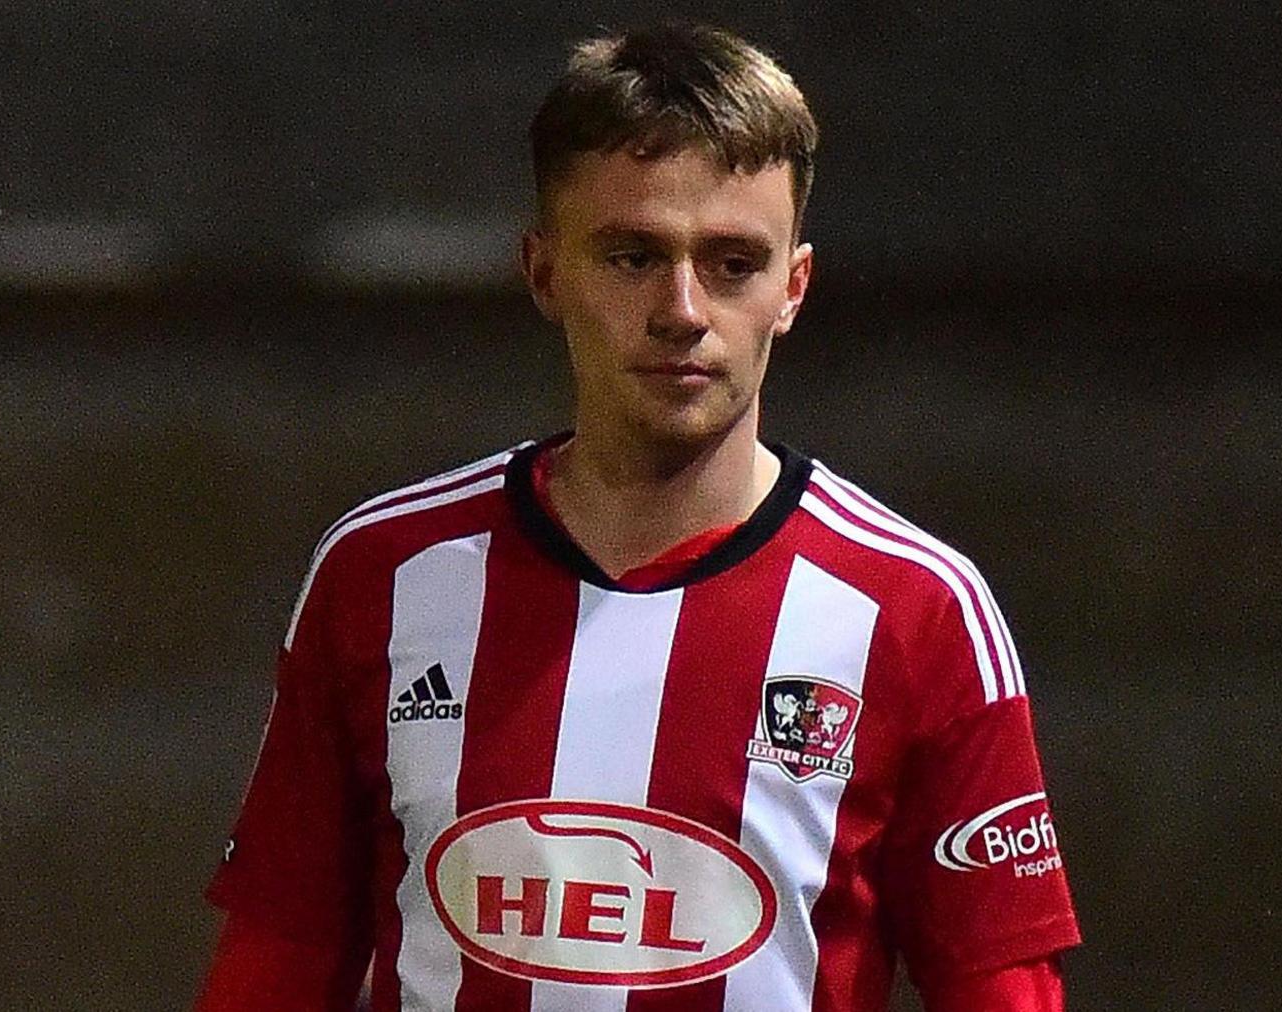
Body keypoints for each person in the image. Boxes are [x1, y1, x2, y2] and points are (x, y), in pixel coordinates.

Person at [195, 22, 1080, 1012]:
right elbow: (274, 965)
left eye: (734, 262)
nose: (684, 308)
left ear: (793, 288)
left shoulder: (918, 610)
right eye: (632, 256)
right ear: (544, 272)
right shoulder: (385, 575)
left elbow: (1002, 991)